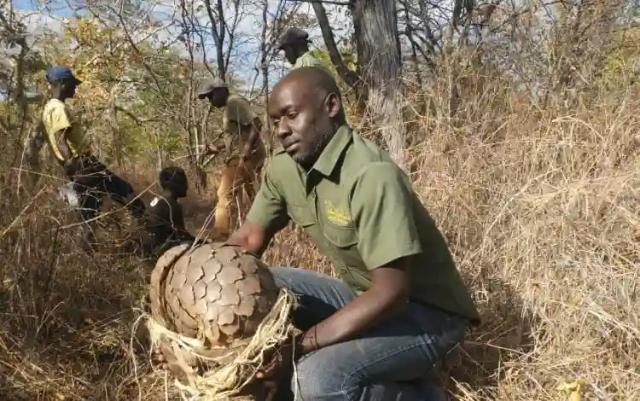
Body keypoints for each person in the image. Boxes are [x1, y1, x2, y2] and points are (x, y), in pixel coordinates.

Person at [227, 67, 480, 401]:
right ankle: (398, 383)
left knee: (312, 380)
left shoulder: (371, 175)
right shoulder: (283, 168)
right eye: (275, 122)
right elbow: (247, 241)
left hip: (427, 318)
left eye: (291, 115)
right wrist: (197, 299)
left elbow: (392, 292)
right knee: (263, 282)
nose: (282, 131)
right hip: (365, 298)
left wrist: (301, 346)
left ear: (331, 107)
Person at [41, 66, 145, 247]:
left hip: (80, 167)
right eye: (73, 84)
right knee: (126, 193)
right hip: (84, 165)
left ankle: (91, 253)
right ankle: (149, 235)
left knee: (89, 214)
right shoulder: (57, 108)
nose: (75, 88)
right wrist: (74, 165)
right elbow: (60, 140)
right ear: (62, 83)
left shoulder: (50, 108)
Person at [197, 79, 266, 238]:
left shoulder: (234, 102)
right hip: (245, 156)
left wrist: (246, 150)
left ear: (221, 91)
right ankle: (263, 233)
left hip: (245, 157)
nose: (210, 101)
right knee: (255, 196)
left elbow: (256, 123)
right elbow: (236, 135)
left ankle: (220, 235)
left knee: (224, 193)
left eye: (211, 96)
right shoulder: (229, 107)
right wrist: (218, 148)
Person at [142, 167, 195, 256]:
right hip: (158, 250)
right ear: (174, 184)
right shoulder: (171, 204)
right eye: (183, 182)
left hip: (147, 247)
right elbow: (181, 234)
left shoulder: (159, 199)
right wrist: (199, 242)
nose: (186, 186)